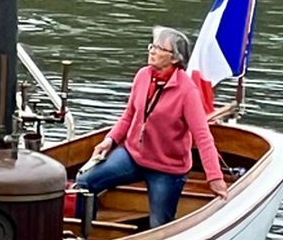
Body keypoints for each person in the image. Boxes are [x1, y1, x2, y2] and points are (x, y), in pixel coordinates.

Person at [76, 26, 228, 228]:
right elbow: (129, 115)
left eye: (159, 48)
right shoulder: (143, 75)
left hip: (167, 168)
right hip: (133, 156)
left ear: (175, 58)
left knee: (159, 226)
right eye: (152, 46)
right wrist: (110, 140)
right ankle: (84, 234)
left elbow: (203, 137)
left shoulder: (187, 91)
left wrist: (214, 177)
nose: (152, 51)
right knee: (85, 182)